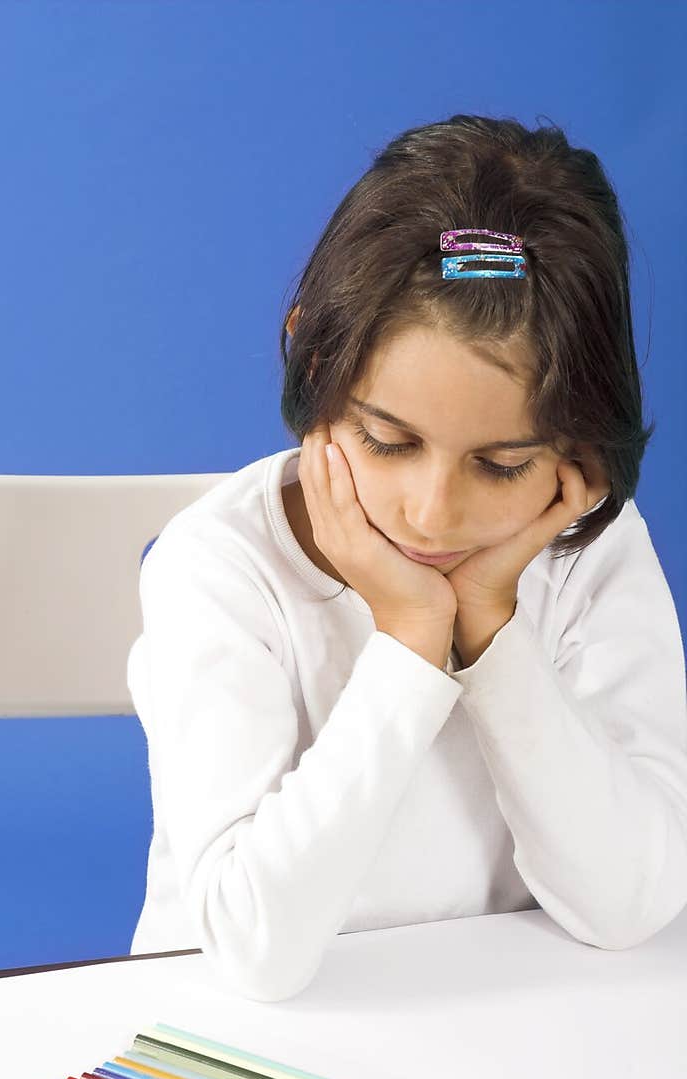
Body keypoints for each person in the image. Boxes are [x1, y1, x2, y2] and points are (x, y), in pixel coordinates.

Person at [125, 114, 687, 1002]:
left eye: (503, 466)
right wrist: (411, 640)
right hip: (232, 1054)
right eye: (387, 441)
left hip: (503, 1033)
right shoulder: (221, 565)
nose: (433, 514)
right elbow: (251, 952)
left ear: (577, 446)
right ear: (314, 358)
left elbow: (628, 905)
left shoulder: (591, 552)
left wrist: (493, 629)